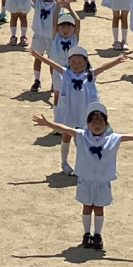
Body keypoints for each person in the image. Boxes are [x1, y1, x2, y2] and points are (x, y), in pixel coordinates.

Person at [31, 102, 121, 251]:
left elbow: (130, 137)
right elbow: (65, 129)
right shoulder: (81, 136)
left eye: (100, 122)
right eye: (93, 122)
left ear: (106, 125)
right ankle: (86, 234)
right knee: (87, 206)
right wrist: (48, 123)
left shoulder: (111, 138)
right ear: (88, 124)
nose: (97, 125)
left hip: (102, 180)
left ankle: (97, 235)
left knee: (99, 208)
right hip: (85, 179)